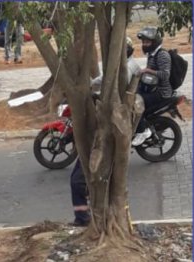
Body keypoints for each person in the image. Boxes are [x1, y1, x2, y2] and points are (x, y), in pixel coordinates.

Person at [71, 37, 141, 227]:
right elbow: (102, 81)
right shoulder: (128, 66)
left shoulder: (124, 71)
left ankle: (83, 218)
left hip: (105, 133)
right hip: (114, 131)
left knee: (78, 180)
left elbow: (105, 85)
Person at [132, 27, 172, 147]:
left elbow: (165, 74)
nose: (145, 44)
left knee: (136, 103)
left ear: (154, 42)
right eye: (143, 42)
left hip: (161, 92)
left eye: (147, 42)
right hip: (152, 88)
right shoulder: (152, 54)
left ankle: (142, 131)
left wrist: (148, 70)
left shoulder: (162, 55)